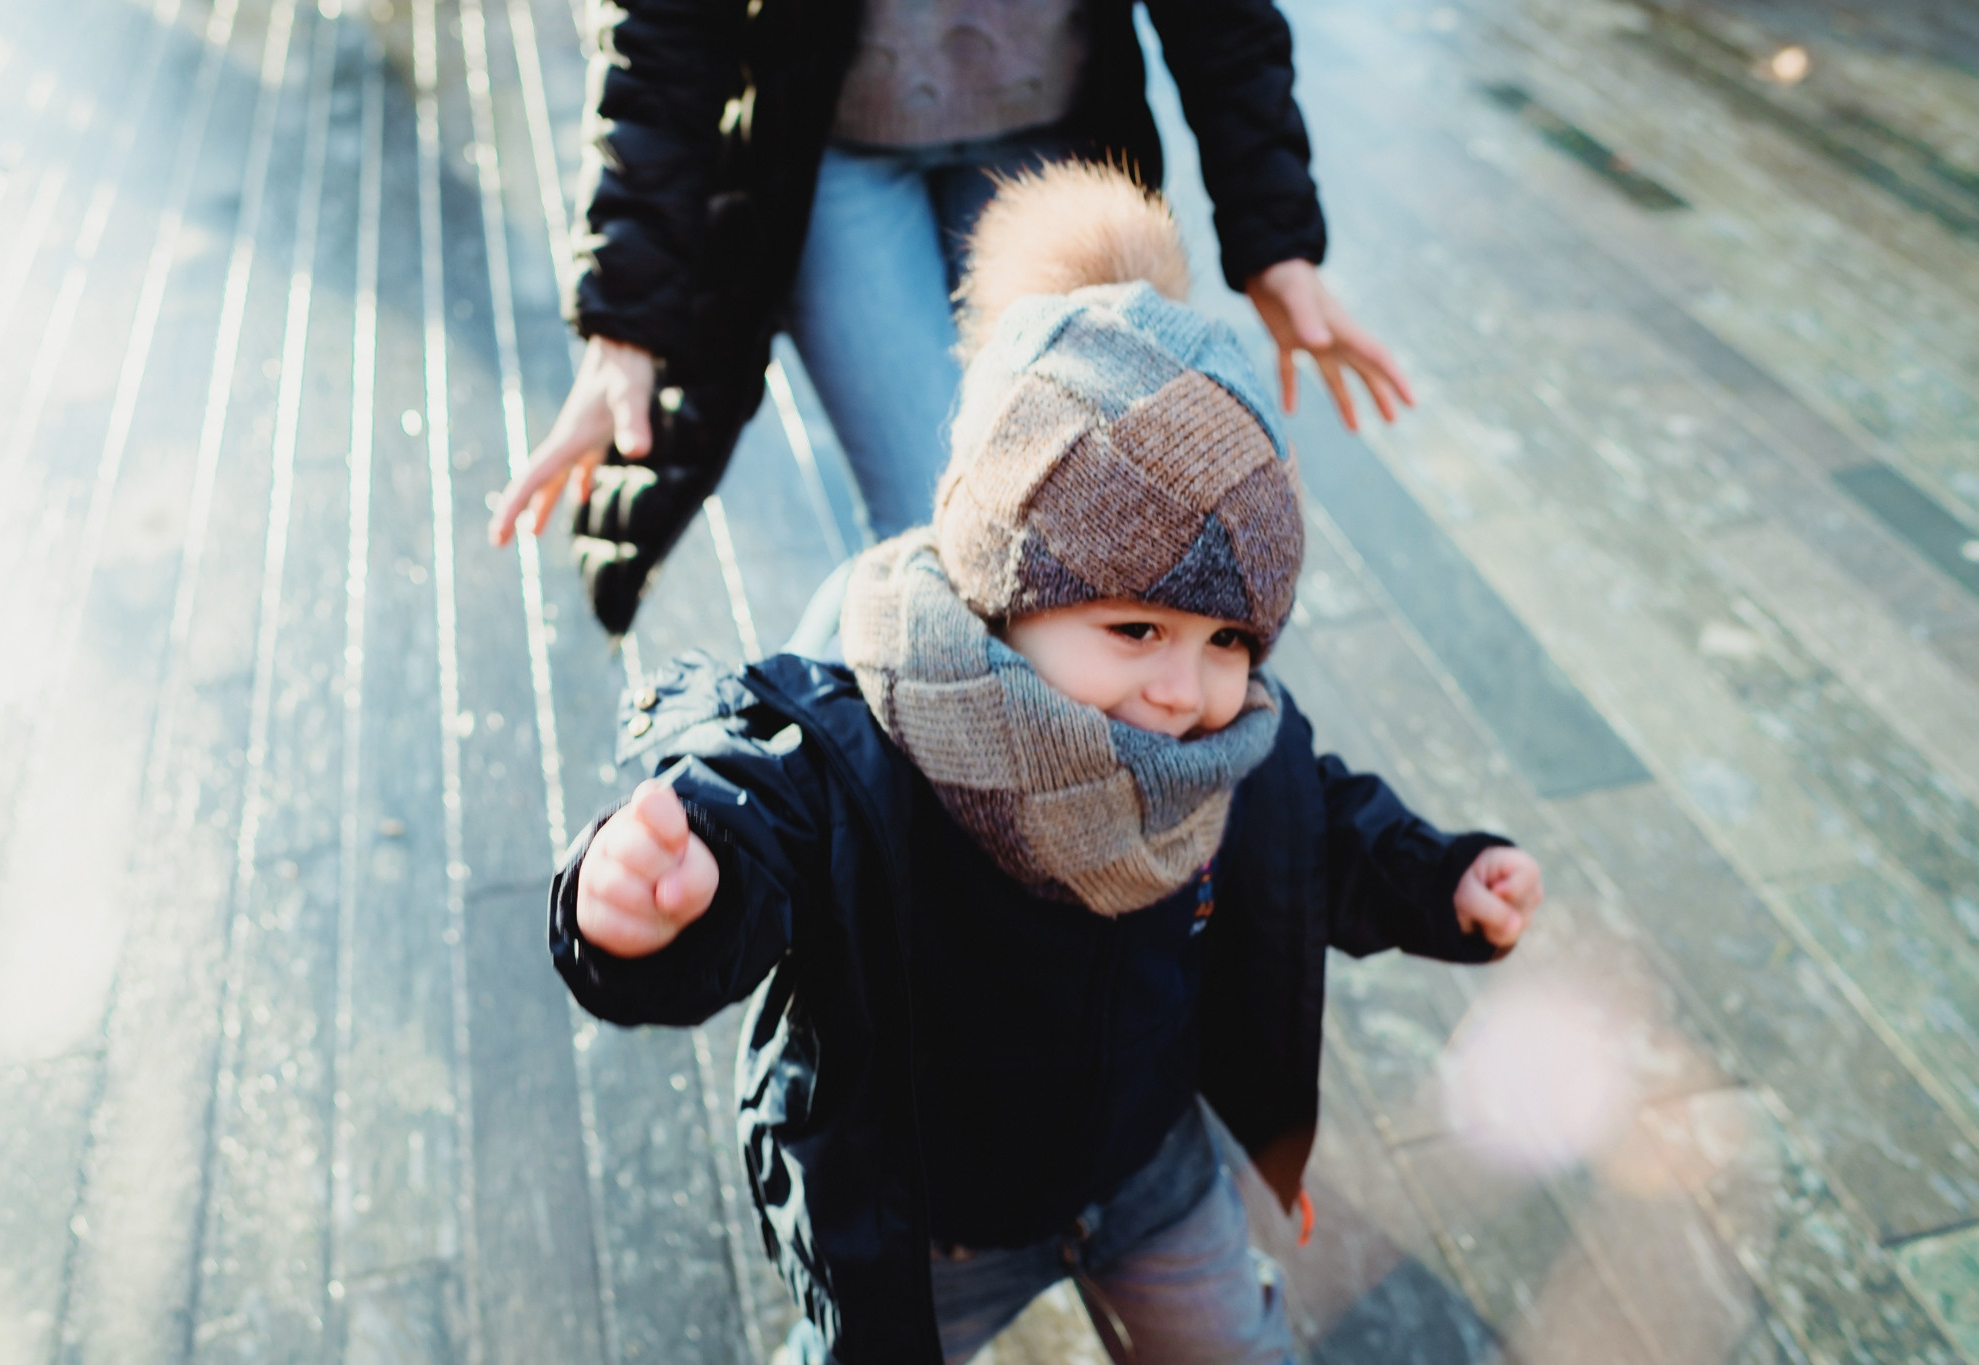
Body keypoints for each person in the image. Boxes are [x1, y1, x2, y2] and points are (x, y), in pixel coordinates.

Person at [546, 167, 1538, 1362]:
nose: (1183, 688)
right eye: (1135, 632)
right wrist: (657, 899)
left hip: (1149, 1175)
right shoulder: (865, 734)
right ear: (1001, 589)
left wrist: (1442, 878)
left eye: (1227, 641)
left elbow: (1315, 833)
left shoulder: (1222, 751)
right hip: (933, 1217)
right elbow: (757, 811)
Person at [489, 0, 1417, 640]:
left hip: (1056, 142)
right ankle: (805, 818)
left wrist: (1275, 239)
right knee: (942, 545)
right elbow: (664, 30)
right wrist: (626, 326)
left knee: (1080, 531)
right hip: (843, 153)